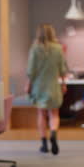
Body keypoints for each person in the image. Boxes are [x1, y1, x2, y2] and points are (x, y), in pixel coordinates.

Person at [25, 24, 67, 155]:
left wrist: (28, 84)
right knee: (54, 114)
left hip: (39, 86)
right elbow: (62, 69)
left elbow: (31, 70)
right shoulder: (58, 48)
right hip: (53, 86)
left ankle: (44, 144)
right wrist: (64, 84)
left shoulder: (35, 48)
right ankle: (53, 134)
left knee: (41, 114)